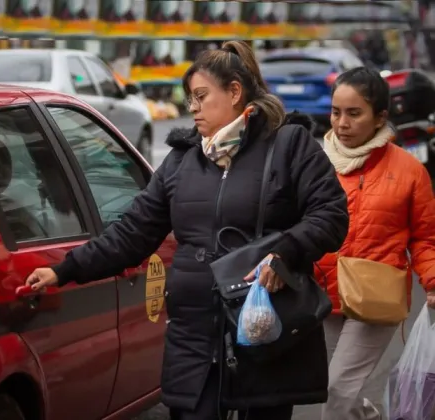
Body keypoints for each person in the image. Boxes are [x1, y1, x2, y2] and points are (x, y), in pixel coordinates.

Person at [25, 40, 349, 420]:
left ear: (234, 92)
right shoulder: (182, 160)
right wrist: (65, 268)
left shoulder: (289, 144)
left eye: (200, 96)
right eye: (189, 99)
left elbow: (330, 214)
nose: (191, 108)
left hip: (262, 330)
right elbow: (134, 232)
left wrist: (286, 253)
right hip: (193, 337)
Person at [317, 67, 435, 420]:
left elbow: (425, 236)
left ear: (380, 117)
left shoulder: (410, 170)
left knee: (337, 390)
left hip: (376, 297)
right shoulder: (317, 164)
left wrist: (432, 281)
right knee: (337, 387)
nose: (342, 124)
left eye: (354, 113)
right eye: (336, 112)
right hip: (325, 293)